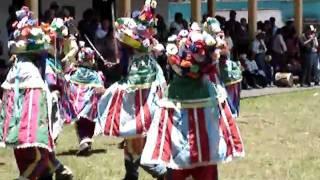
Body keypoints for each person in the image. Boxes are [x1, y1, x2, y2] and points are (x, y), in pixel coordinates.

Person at [141, 18, 244, 180]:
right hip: (202, 104)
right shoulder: (210, 88)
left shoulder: (175, 90)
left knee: (180, 161)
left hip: (185, 101)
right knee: (205, 160)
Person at [95, 1, 167, 179]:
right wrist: (114, 65)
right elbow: (124, 67)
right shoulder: (143, 54)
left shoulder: (146, 51)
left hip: (141, 98)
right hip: (140, 95)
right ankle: (131, 175)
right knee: (132, 138)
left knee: (136, 137)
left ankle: (162, 173)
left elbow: (129, 76)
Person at [0, 6, 72, 179]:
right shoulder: (26, 57)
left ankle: (53, 167)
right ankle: (52, 168)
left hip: (26, 80)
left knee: (35, 138)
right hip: (26, 82)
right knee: (33, 138)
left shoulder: (40, 54)